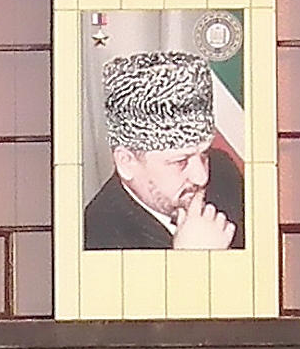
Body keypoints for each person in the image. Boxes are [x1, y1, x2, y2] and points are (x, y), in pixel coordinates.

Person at [80, 50, 245, 252]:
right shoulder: (97, 238)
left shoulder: (223, 171)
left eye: (203, 155)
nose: (201, 177)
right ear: (126, 162)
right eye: (180, 162)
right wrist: (194, 261)